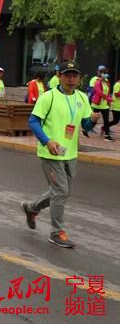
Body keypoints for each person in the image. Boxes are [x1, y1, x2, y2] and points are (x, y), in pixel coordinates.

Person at [22, 61, 100, 248]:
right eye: (67, 75)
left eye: (75, 75)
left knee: (61, 192)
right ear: (60, 76)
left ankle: (32, 208)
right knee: (61, 191)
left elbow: (85, 126)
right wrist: (47, 141)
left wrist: (93, 121)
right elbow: (33, 121)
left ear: (79, 78)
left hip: (70, 153)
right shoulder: (48, 97)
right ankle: (56, 232)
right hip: (51, 153)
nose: (71, 78)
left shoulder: (81, 97)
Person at [88, 66, 113, 140]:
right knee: (94, 120)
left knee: (106, 120)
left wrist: (108, 100)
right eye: (104, 73)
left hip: (105, 105)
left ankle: (107, 135)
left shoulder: (107, 82)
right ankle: (85, 130)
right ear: (100, 73)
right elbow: (99, 92)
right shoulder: (97, 81)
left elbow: (108, 92)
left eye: (106, 73)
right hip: (97, 104)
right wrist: (108, 98)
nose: (105, 75)